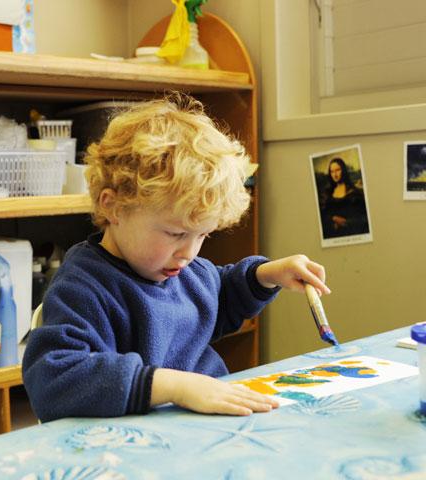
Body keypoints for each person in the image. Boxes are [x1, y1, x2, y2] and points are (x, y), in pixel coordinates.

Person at [23, 93, 330, 422]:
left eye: (202, 235)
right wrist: (173, 386)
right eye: (175, 234)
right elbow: (54, 377)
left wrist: (268, 274)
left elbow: (218, 296)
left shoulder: (183, 269)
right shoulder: (83, 287)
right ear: (113, 207)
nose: (189, 253)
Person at [320, 157, 370, 239]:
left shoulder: (354, 192)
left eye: (337, 170)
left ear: (343, 170)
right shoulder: (328, 193)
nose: (335, 175)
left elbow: (364, 218)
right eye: (332, 171)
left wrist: (347, 222)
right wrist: (333, 219)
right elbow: (324, 215)